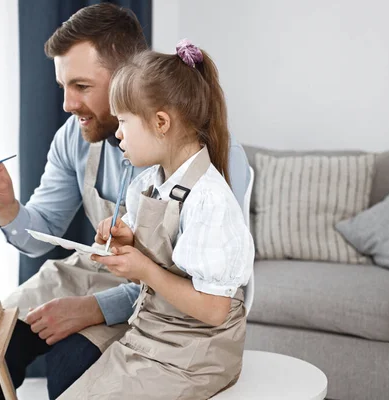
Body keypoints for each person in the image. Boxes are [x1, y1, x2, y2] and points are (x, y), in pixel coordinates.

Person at [0, 4, 251, 400]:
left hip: (160, 299)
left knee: (69, 368)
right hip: (109, 272)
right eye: (63, 87)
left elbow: (212, 289)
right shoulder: (75, 139)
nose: (67, 104)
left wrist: (95, 307)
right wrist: (5, 207)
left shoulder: (211, 169)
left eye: (82, 86)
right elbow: (42, 237)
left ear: (128, 76)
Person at [59, 41, 254, 399]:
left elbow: (214, 311)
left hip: (197, 353)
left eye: (123, 122)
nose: (117, 133)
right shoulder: (147, 184)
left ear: (160, 122)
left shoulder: (210, 199)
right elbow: (156, 265)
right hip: (153, 333)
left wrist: (144, 269)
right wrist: (127, 245)